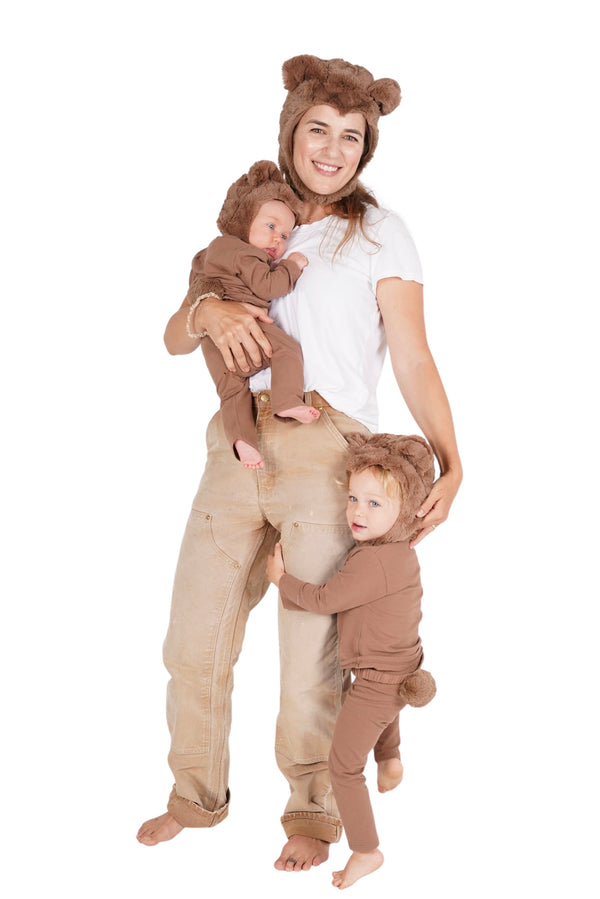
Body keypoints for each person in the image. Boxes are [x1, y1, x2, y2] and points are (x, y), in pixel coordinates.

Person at [137, 54, 462, 875]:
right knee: (193, 635)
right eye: (318, 128)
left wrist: (454, 460)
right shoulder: (255, 217)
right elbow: (176, 334)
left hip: (329, 444)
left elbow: (415, 358)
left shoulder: (382, 232)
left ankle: (313, 811)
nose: (332, 147)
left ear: (366, 149)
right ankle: (193, 796)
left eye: (351, 136)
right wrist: (206, 309)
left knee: (313, 649)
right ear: (290, 130)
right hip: (237, 439)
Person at [266, 432, 438, 889]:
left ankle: (366, 850)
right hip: (403, 668)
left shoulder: (369, 563)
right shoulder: (400, 554)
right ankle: (391, 758)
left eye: (374, 504)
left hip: (379, 680)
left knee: (342, 766)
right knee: (383, 707)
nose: (357, 512)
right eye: (353, 498)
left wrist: (282, 580)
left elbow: (323, 599)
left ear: (407, 511)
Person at [187, 160, 320, 469]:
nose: (278, 240)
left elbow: (194, 288)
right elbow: (269, 286)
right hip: (246, 328)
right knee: (287, 350)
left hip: (212, 341)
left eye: (286, 235)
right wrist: (292, 265)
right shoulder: (245, 253)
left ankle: (242, 443)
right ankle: (286, 401)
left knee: (232, 391)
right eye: (271, 226)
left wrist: (204, 308)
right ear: (243, 219)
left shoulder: (209, 254)